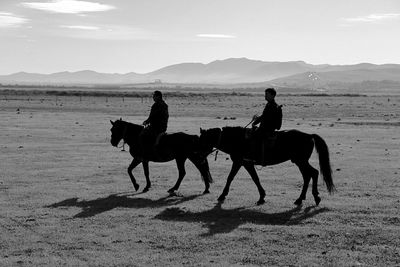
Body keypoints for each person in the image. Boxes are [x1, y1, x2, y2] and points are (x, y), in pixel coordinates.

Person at [247, 88, 282, 163]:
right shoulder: (269, 104)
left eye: (267, 94)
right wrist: (255, 122)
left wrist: (255, 122)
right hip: (265, 128)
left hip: (268, 129)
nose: (265, 96)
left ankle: (254, 157)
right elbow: (264, 116)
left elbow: (265, 117)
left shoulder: (273, 106)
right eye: (265, 94)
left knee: (254, 136)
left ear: (272, 95)